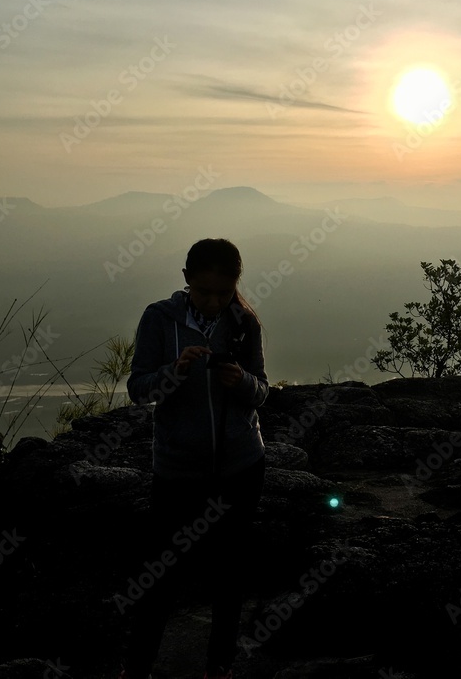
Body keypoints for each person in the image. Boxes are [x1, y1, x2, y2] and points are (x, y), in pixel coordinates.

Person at [118, 238, 269, 679]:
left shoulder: (243, 323)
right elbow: (139, 390)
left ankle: (218, 667)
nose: (214, 302)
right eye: (204, 292)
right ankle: (138, 668)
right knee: (160, 580)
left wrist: (239, 381)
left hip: (241, 468)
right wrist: (176, 371)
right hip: (178, 471)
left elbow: (260, 391)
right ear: (186, 280)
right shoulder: (160, 320)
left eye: (223, 293)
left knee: (229, 579)